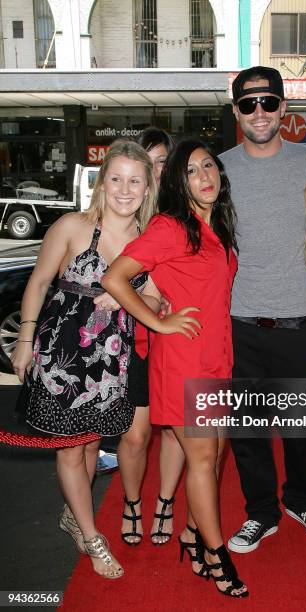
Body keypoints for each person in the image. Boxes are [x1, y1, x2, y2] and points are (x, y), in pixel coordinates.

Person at [102, 139, 248, 598]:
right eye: (190, 171)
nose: (204, 176)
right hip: (184, 359)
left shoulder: (217, 226)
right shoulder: (170, 227)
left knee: (215, 457)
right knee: (204, 459)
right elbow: (114, 277)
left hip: (217, 357)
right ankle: (217, 554)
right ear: (176, 183)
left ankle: (192, 535)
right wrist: (158, 322)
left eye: (209, 166)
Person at [11, 139, 158, 579]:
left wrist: (132, 298)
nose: (125, 189)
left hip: (113, 360)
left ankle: (75, 515)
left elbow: (157, 297)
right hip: (64, 357)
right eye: (116, 179)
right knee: (73, 448)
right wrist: (24, 339)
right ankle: (93, 539)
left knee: (93, 442)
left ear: (148, 187)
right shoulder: (73, 227)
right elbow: (38, 283)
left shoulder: (150, 238)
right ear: (101, 184)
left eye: (135, 180)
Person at [219, 65, 306, 554]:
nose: (259, 112)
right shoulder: (217, 168)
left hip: (298, 319)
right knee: (246, 430)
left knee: (302, 427)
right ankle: (261, 512)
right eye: (248, 104)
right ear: (236, 112)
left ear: (283, 108)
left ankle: (303, 500)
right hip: (238, 321)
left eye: (269, 102)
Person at [119, 127, 185, 546]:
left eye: (163, 161)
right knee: (136, 434)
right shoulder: (123, 213)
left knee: (178, 430)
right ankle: (131, 503)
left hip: (174, 336)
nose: (155, 169)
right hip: (129, 339)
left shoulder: (183, 210)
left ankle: (164, 502)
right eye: (148, 161)